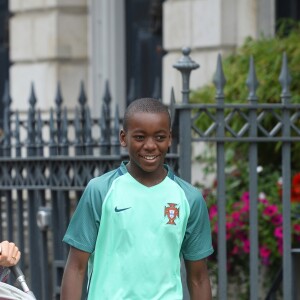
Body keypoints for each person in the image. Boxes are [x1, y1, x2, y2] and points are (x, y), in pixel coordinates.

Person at [60, 98, 214, 299]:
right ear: (124, 138)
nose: (150, 146)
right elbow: (76, 267)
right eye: (140, 137)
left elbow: (199, 278)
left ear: (169, 138)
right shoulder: (100, 191)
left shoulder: (189, 198)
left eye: (159, 137)